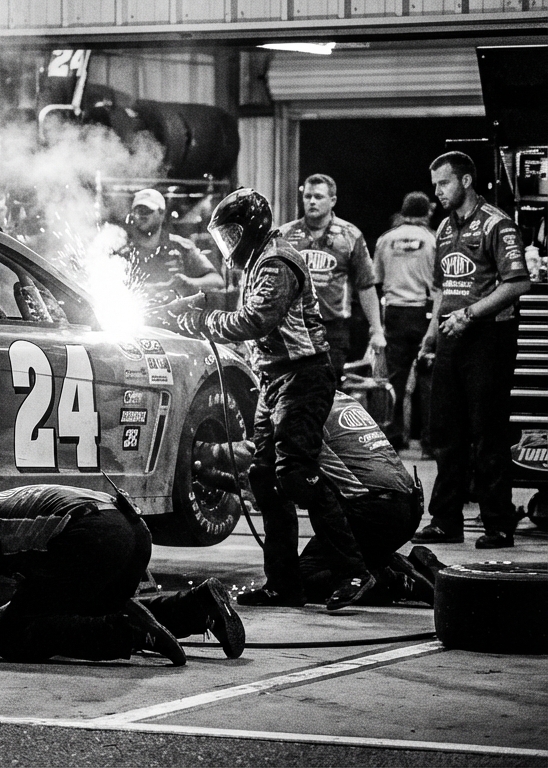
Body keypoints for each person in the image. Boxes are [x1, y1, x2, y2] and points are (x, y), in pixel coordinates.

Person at [160, 188, 373, 610]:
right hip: (276, 378)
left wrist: (202, 319)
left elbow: (257, 318)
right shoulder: (260, 259)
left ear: (250, 229)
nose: (227, 246)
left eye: (230, 236)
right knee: (264, 478)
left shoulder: (276, 262)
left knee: (294, 472)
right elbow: (246, 306)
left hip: (303, 376)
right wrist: (197, 302)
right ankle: (284, 584)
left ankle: (355, 571)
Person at [0, 478, 245, 665]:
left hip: (91, 536)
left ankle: (129, 634)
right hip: (131, 530)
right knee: (92, 610)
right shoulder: (7, 503)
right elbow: (35, 600)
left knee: (13, 638)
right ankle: (198, 607)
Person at [194, 391, 432, 606]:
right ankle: (412, 564)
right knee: (332, 557)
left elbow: (256, 464)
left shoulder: (295, 409)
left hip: (375, 511)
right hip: (407, 504)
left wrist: (199, 453)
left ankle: (396, 581)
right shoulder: (336, 397)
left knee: (304, 580)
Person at [412, 151, 530, 549]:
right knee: (446, 433)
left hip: (488, 338)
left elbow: (518, 283)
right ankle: (446, 520)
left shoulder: (498, 224)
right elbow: (443, 290)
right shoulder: (444, 228)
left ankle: (498, 524)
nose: (438, 192)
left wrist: (471, 314)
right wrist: (431, 335)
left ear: (465, 181)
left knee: (487, 433)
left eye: (443, 183)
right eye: (434, 185)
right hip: (451, 336)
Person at [279, 174, 386, 375]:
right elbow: (270, 282)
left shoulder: (350, 235)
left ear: (333, 200)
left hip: (333, 329)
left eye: (318, 196)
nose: (312, 201)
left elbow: (365, 285)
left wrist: (377, 330)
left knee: (328, 386)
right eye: (308, 196)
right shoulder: (285, 235)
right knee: (293, 388)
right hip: (293, 327)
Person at [373, 192, 437, 451]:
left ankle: (395, 435)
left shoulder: (386, 239)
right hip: (424, 311)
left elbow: (376, 278)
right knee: (427, 378)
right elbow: (440, 281)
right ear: (426, 212)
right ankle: (429, 440)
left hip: (394, 313)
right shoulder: (432, 239)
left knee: (395, 378)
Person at [117, 188, 224, 305]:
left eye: (147, 210)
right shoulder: (123, 252)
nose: (141, 216)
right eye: (137, 211)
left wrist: (188, 282)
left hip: (175, 314)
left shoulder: (181, 247)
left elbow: (217, 281)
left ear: (162, 213)